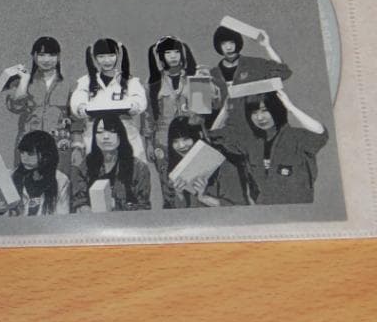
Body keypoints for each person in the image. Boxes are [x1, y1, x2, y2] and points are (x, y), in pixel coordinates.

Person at [210, 91, 328, 204]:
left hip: (296, 210)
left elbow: (320, 134)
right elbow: (214, 137)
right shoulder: (251, 143)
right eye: (254, 112)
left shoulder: (296, 138)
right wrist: (226, 108)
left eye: (265, 110)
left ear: (277, 109)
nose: (259, 117)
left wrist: (290, 107)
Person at [69, 38, 148, 161]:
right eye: (101, 56)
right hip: (95, 136)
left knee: (130, 169)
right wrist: (81, 107)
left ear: (118, 55)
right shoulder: (85, 81)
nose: (107, 61)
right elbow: (77, 100)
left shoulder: (130, 81)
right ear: (95, 58)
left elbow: (139, 100)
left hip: (127, 135)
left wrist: (134, 106)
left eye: (111, 56)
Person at [4, 36, 74, 172]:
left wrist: (77, 143)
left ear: (59, 57)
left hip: (58, 143)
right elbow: (15, 107)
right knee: (26, 180)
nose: (46, 60)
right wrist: (25, 79)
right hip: (29, 142)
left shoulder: (69, 84)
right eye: (41, 55)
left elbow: (76, 118)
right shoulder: (22, 82)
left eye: (52, 55)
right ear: (34, 56)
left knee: (59, 180)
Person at [143, 36, 201, 189]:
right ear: (162, 56)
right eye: (168, 53)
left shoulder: (194, 76)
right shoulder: (153, 82)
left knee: (196, 181)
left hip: (190, 136)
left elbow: (204, 110)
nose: (173, 56)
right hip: (163, 139)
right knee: (169, 182)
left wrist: (203, 82)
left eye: (176, 52)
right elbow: (148, 114)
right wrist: (148, 143)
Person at [208, 23, 292, 125]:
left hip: (258, 123)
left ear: (238, 43)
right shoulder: (213, 74)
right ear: (218, 46)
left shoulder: (254, 64)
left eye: (232, 42)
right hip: (230, 127)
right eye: (224, 44)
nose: (229, 47)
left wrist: (267, 46)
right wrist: (198, 83)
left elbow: (283, 72)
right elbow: (204, 110)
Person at [72, 114, 152, 211]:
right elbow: (79, 200)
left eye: (112, 131)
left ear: (120, 134)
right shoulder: (85, 166)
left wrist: (117, 205)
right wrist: (84, 208)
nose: (106, 137)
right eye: (100, 132)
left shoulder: (139, 168)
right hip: (95, 219)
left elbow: (143, 206)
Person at [163, 116, 245, 208]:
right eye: (175, 142)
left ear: (198, 137)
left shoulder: (224, 167)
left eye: (186, 139)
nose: (181, 146)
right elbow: (173, 212)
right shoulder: (173, 171)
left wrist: (204, 198)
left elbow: (239, 208)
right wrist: (180, 195)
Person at [0, 130, 70, 216]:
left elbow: (63, 215)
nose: (24, 158)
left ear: (46, 154)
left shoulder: (61, 180)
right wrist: (0, 211)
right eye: (22, 153)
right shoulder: (9, 176)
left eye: (30, 153)